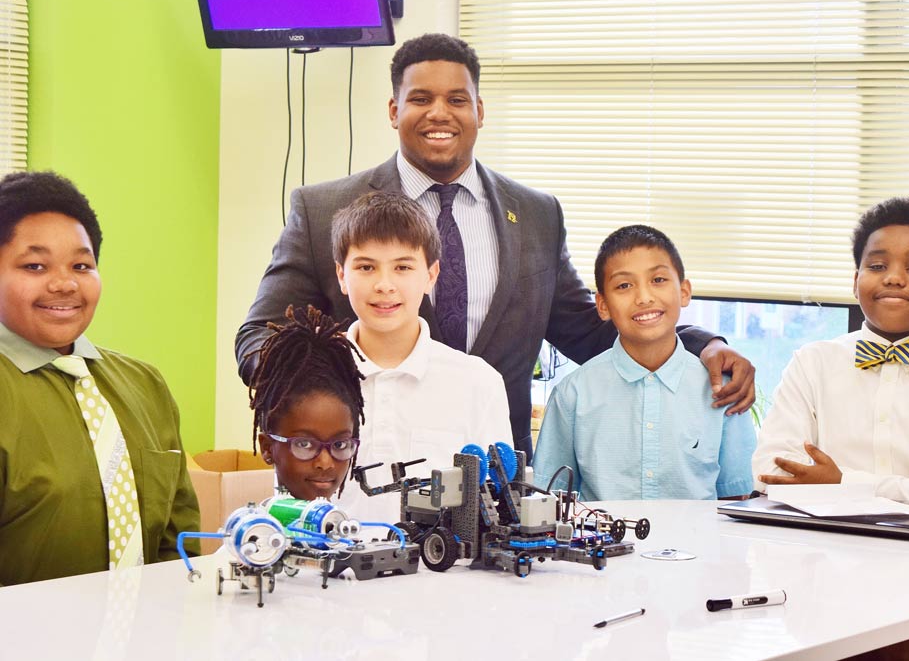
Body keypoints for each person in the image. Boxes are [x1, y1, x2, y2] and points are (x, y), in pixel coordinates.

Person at [236, 32, 756, 460]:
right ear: (394, 110)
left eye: (456, 100)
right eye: (420, 99)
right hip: (362, 464)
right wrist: (330, 393)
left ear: (480, 111)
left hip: (493, 479)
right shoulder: (324, 209)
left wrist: (702, 344)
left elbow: (592, 332)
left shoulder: (535, 214)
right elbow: (259, 338)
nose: (439, 112)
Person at [0, 171, 199, 585]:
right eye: (35, 265)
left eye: (81, 265)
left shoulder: (145, 384)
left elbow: (177, 537)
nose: (64, 283)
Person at [753, 197, 909, 516]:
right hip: (826, 551)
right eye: (877, 266)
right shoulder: (812, 364)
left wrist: (844, 483)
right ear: (855, 281)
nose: (894, 278)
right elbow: (770, 472)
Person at [532, 225, 756, 501]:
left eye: (658, 279)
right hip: (602, 543)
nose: (644, 297)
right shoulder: (572, 394)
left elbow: (736, 499)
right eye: (624, 285)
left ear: (684, 291)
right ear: (602, 305)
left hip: (700, 543)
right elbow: (552, 501)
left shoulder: (724, 391)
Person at [329, 192, 512, 520]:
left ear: (431, 275)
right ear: (342, 275)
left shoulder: (478, 382)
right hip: (332, 566)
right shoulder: (311, 376)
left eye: (402, 267)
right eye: (367, 267)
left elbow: (497, 501)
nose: (385, 285)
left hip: (443, 566)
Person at [251, 305, 365, 501]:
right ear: (268, 448)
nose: (325, 462)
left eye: (339, 444)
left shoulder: (349, 529)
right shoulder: (256, 529)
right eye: (304, 444)